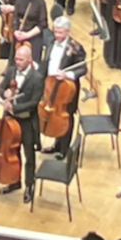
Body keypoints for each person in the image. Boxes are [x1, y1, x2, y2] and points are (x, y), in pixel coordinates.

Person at [0, 42, 43, 203]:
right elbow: (0, 88)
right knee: (12, 153)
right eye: (16, 59)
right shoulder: (11, 72)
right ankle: (14, 181)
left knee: (29, 156)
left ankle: (29, 186)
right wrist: (5, 93)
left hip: (27, 122)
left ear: (29, 60)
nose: (17, 62)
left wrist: (13, 107)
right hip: (11, 121)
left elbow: (33, 102)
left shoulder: (37, 78)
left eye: (21, 60)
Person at [40, 16, 87, 155]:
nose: (57, 35)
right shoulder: (50, 42)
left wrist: (67, 75)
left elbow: (82, 69)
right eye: (55, 32)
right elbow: (46, 62)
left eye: (60, 33)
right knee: (54, 115)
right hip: (51, 86)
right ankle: (56, 144)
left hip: (66, 90)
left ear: (67, 31)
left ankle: (64, 149)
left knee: (66, 117)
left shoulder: (76, 47)